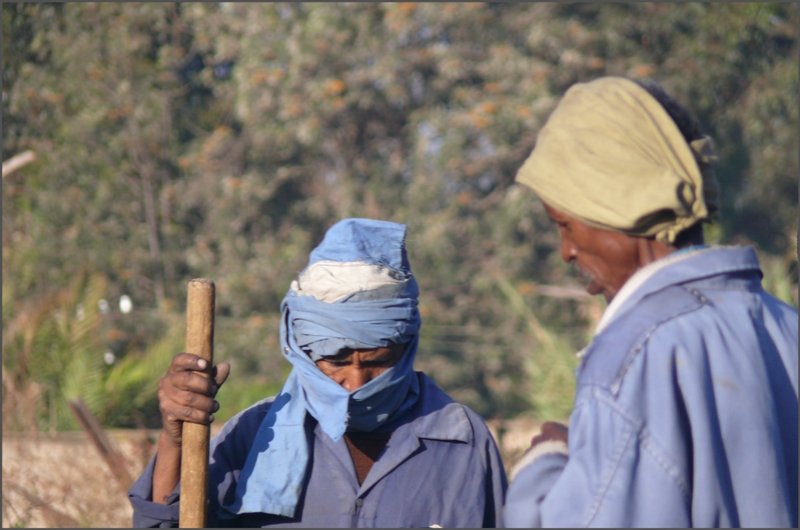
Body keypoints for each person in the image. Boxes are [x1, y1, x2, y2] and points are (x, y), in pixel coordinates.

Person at [502, 76, 798, 527]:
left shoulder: (636, 355)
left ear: (616, 205)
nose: (566, 252)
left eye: (565, 224)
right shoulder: (785, 327)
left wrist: (542, 468)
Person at [129, 217, 507, 527]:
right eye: (336, 361)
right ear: (302, 350)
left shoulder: (461, 442)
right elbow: (161, 523)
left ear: (407, 348)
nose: (355, 383)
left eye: (377, 362)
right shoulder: (257, 435)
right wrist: (176, 439)